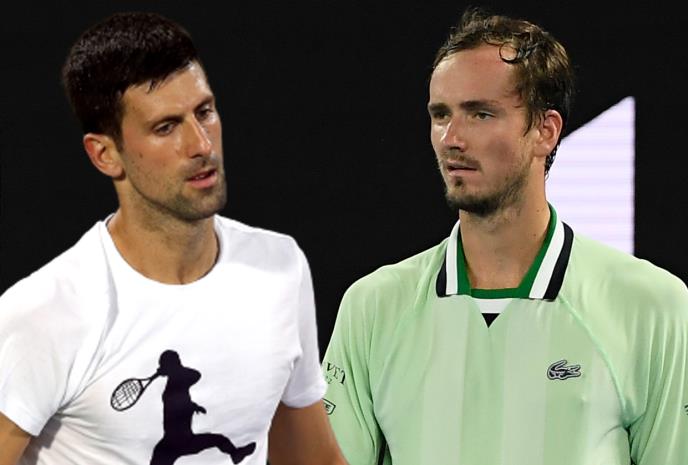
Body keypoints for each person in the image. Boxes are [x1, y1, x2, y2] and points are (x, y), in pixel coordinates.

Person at [322, 7, 688, 465]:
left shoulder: (653, 307)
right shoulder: (372, 308)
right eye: (440, 114)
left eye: (480, 114)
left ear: (545, 131)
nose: (451, 138)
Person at [0, 11, 346, 465]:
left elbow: (311, 460)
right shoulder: (44, 313)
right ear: (105, 154)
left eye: (204, 112)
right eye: (166, 127)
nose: (201, 144)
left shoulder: (280, 267)